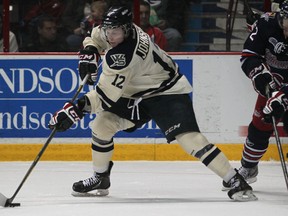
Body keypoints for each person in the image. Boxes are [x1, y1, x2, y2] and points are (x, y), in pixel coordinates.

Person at [48, 5, 257, 201]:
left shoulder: (124, 57)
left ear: (127, 29)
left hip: (166, 90)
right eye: (108, 30)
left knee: (189, 138)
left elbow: (104, 97)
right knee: (102, 125)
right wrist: (90, 50)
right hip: (136, 92)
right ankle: (101, 177)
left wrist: (76, 109)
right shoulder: (121, 30)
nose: (110, 36)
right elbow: (96, 35)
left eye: (115, 32)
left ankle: (234, 178)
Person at [223, 0, 288, 189]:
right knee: (260, 125)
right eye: (286, 26)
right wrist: (260, 77)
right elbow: (249, 57)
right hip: (273, 85)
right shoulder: (266, 25)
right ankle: (249, 168)